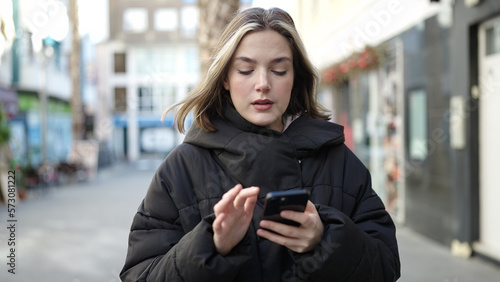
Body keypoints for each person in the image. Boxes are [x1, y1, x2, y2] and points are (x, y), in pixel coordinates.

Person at [120, 7, 400, 282]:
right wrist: (211, 245)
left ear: (295, 77)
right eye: (245, 70)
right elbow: (140, 274)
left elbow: (386, 266)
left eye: (279, 70)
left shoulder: (337, 160)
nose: (263, 84)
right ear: (225, 79)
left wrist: (324, 240)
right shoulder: (181, 168)